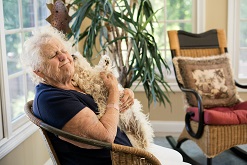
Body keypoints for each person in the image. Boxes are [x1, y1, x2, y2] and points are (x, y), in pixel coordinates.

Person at [21, 26, 189, 165]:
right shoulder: (51, 99)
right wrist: (114, 91)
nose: (64, 57)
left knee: (178, 157)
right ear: (39, 71)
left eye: (63, 50)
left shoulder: (75, 78)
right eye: (53, 55)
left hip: (128, 147)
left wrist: (125, 92)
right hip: (115, 160)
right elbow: (106, 136)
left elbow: (103, 94)